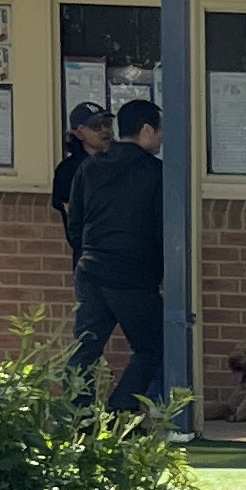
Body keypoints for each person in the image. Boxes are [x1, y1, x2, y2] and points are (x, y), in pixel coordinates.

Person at [66, 95, 167, 415]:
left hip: (91, 269)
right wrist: (162, 273)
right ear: (147, 130)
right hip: (132, 274)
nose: (162, 138)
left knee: (85, 349)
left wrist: (87, 254)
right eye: (160, 131)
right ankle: (120, 409)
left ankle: (78, 418)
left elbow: (75, 223)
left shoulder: (89, 167)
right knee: (152, 348)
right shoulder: (156, 172)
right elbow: (161, 229)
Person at [50, 103, 110, 249]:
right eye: (96, 126)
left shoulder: (120, 163)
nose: (104, 130)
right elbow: (72, 221)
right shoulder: (68, 171)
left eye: (107, 124)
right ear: (78, 133)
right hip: (89, 253)